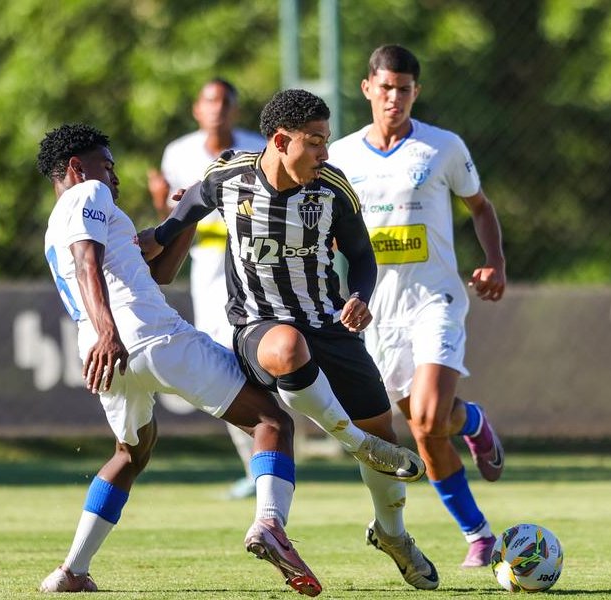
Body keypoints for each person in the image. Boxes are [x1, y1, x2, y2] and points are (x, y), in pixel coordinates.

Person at [142, 89, 439, 591]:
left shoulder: (332, 187)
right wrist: (159, 234)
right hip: (259, 325)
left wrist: (360, 296)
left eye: (326, 141)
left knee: (385, 437)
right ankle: (353, 443)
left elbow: (362, 257)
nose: (325, 152)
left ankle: (393, 535)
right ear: (281, 140)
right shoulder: (229, 176)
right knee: (287, 350)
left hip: (329, 324)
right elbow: (186, 208)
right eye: (315, 142)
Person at [35, 123, 322, 596]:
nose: (114, 177)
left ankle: (71, 571)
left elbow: (159, 272)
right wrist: (110, 330)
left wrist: (187, 215)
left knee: (130, 454)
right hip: (145, 337)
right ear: (75, 167)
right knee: (272, 421)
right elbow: (87, 260)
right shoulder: (86, 192)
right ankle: (270, 524)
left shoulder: (66, 219)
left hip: (108, 356)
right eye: (107, 166)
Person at [327, 44, 507, 569]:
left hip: (436, 299)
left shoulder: (442, 147)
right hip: (377, 312)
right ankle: (472, 430)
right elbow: (328, 230)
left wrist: (494, 262)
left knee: (427, 420)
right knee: (428, 428)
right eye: (385, 88)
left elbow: (481, 206)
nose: (394, 99)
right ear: (367, 89)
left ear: (415, 93)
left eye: (404, 90)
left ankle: (476, 537)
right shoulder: (341, 155)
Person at [147, 78, 266, 499]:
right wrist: (162, 200)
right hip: (208, 272)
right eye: (209, 101)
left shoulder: (256, 146)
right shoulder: (178, 153)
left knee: (264, 362)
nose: (216, 109)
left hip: (255, 264)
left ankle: (274, 454)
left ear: (234, 109)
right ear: (198, 109)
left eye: (224, 102)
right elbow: (174, 218)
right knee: (226, 367)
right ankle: (257, 468)